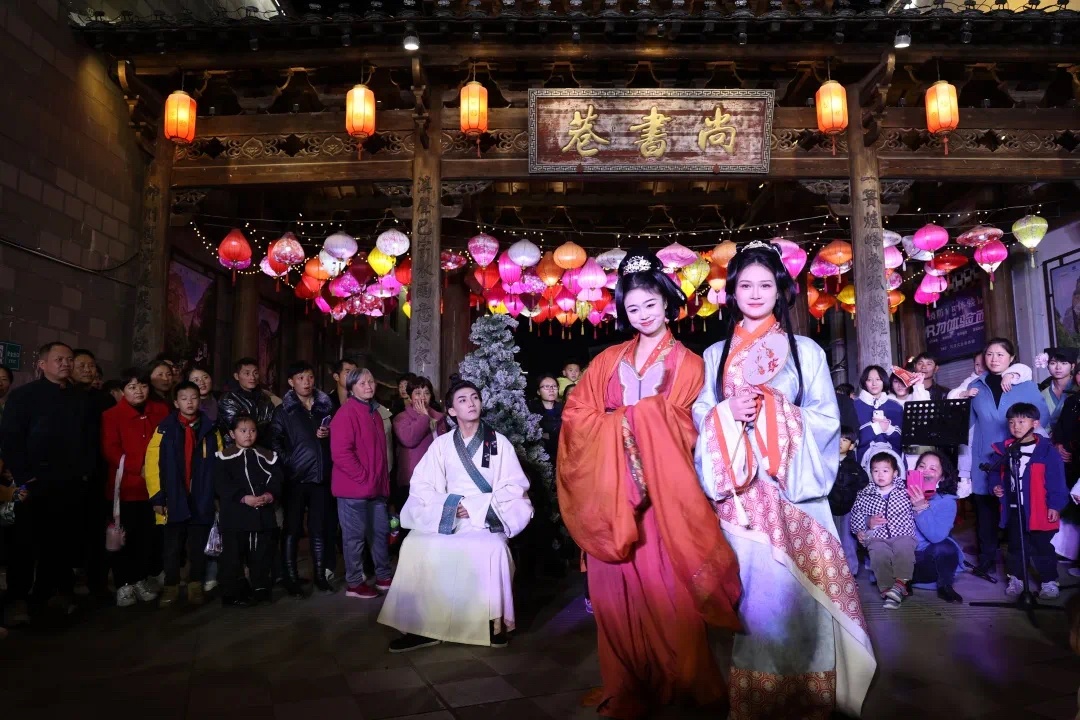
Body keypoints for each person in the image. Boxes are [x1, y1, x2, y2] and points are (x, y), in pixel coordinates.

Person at [692, 241, 875, 719]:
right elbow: (701, 417)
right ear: (732, 292)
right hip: (741, 496)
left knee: (803, 598)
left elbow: (825, 418)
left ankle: (811, 696)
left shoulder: (805, 351)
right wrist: (726, 412)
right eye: (745, 285)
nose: (755, 294)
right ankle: (754, 700)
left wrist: (773, 411)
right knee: (755, 602)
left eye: (765, 285)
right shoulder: (714, 355)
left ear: (780, 291)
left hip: (794, 491)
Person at [560, 249, 740, 720]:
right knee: (613, 598)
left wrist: (637, 416)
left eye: (650, 304)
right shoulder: (606, 360)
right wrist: (631, 420)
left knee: (669, 595)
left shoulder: (690, 364)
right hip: (611, 494)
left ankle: (683, 683)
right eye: (633, 307)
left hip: (663, 499)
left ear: (667, 303)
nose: (642, 315)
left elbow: (692, 430)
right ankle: (627, 683)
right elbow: (576, 416)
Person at [380, 379, 534, 651]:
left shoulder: (498, 443)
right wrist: (450, 506)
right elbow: (423, 484)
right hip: (449, 514)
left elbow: (514, 487)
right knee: (414, 544)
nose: (471, 403)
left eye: (474, 397)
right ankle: (421, 627)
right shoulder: (442, 445)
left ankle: (489, 625)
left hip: (484, 516)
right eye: (462, 400)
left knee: (493, 549)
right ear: (451, 411)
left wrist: (475, 506)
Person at [0, 342, 97, 619]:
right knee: (24, 542)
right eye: (59, 359)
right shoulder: (24, 396)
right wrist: (25, 477)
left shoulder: (81, 399)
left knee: (60, 542)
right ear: (42, 364)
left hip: (70, 482)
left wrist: (84, 472)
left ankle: (48, 594)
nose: (66, 363)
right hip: (33, 482)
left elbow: (89, 440)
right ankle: (18, 597)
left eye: (69, 359)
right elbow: (11, 440)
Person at [964, 338, 1050, 580]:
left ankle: (1019, 567)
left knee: (1017, 512)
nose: (994, 359)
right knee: (985, 512)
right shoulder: (975, 386)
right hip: (984, 457)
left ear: (1011, 358)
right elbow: (967, 425)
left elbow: (1042, 418)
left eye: (1000, 354)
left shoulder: (1025, 385)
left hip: (1018, 457)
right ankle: (987, 561)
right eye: (989, 354)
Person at [145, 381, 223, 607]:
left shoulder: (211, 429)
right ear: (176, 402)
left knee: (197, 547)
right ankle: (171, 586)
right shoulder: (164, 429)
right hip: (173, 497)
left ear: (200, 400)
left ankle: (195, 584)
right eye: (184, 398)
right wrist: (157, 497)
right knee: (171, 548)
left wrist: (216, 496)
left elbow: (219, 463)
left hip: (201, 497)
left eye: (194, 398)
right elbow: (152, 465)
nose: (190, 402)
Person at [100, 368, 169, 607]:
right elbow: (110, 449)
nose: (138, 391)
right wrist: (138, 468)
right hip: (125, 487)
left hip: (154, 488)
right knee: (123, 537)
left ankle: (141, 579)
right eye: (131, 387)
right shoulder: (111, 415)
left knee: (147, 537)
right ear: (122, 391)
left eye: (142, 385)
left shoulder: (160, 411)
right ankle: (123, 584)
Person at [270, 361, 336, 596]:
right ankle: (290, 578)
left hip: (320, 477)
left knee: (318, 528)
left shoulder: (324, 408)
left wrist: (328, 435)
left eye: (309, 377)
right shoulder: (284, 411)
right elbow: (274, 442)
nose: (306, 382)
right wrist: (291, 462)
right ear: (291, 382)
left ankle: (319, 576)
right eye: (300, 378)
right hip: (296, 479)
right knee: (293, 529)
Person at [991, 402, 1068, 599]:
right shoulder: (1005, 449)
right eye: (1011, 422)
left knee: (1042, 546)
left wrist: (1055, 505)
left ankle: (1049, 581)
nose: (1015, 426)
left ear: (1035, 423)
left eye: (1021, 421)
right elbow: (994, 471)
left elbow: (1057, 481)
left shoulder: (1046, 450)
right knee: (1016, 545)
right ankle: (1016, 578)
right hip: (1015, 507)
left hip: (1040, 508)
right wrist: (996, 486)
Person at [330, 368, 392, 599]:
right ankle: (354, 583)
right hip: (353, 489)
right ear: (351, 388)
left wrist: (380, 482)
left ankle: (384, 576)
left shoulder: (374, 412)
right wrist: (364, 478)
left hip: (375, 488)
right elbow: (341, 454)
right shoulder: (346, 413)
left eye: (371, 381)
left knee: (380, 533)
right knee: (354, 538)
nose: (368, 386)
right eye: (362, 383)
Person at [214, 413, 283, 607]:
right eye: (243, 431)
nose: (248, 435)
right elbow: (221, 484)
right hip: (235, 517)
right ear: (232, 434)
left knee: (261, 553)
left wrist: (269, 495)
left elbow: (277, 478)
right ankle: (232, 592)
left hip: (262, 515)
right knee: (233, 556)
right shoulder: (223, 458)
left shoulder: (267, 456)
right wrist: (244, 498)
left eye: (252, 430)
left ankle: (260, 587)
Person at [850, 450, 917, 610]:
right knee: (878, 553)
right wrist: (861, 528)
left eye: (885, 470)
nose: (880, 475)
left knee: (904, 549)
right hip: (877, 536)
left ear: (895, 473)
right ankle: (887, 590)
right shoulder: (865, 494)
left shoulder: (905, 491)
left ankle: (900, 584)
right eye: (875, 471)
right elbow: (856, 514)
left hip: (902, 534)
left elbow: (918, 508)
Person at [909, 451, 964, 603]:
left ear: (942, 477)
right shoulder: (900, 494)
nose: (926, 471)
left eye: (933, 468)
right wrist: (869, 522)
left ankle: (945, 586)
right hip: (903, 558)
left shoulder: (947, 502)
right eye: (922, 466)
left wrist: (920, 508)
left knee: (945, 547)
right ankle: (901, 581)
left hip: (927, 561)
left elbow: (936, 537)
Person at [391, 376, 446, 513]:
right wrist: (424, 417)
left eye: (426, 393)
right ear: (410, 397)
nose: (422, 397)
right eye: (417, 393)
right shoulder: (401, 418)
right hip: (412, 478)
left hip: (436, 477)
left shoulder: (439, 418)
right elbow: (409, 439)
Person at [828, 427, 868, 578]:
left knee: (848, 542)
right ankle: (830, 572)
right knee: (829, 540)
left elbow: (864, 483)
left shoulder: (855, 466)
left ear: (851, 446)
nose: (840, 442)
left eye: (845, 440)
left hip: (848, 510)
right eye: (837, 438)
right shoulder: (825, 462)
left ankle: (851, 573)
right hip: (829, 508)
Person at [854, 365, 904, 465]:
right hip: (863, 461)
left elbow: (901, 442)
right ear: (864, 382)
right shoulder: (854, 405)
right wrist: (876, 427)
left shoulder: (896, 407)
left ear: (884, 381)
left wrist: (888, 429)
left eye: (878, 379)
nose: (874, 383)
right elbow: (852, 440)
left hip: (893, 461)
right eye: (869, 380)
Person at [218, 358, 275, 439]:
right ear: (237, 376)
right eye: (247, 373)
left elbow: (274, 424)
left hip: (264, 444)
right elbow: (238, 428)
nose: (252, 377)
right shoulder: (228, 399)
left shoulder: (265, 398)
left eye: (255, 373)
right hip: (236, 445)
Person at [529, 374, 563, 468]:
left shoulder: (565, 409)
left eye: (554, 386)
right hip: (540, 459)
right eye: (546, 387)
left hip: (561, 456)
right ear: (538, 391)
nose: (551, 389)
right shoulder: (531, 410)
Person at [1041, 347, 1077, 429]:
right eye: (1053, 363)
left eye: (1064, 363)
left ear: (1072, 366)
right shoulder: (1042, 394)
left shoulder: (1077, 389)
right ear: (1047, 366)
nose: (1058, 368)